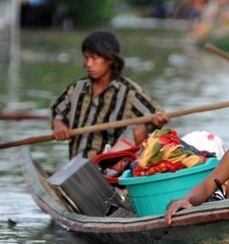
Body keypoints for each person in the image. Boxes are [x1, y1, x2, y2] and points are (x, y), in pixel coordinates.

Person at [50, 31, 168, 159]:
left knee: (140, 127)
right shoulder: (77, 89)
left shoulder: (129, 92)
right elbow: (56, 112)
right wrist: (58, 125)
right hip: (75, 167)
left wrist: (158, 120)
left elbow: (154, 115)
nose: (88, 64)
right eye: (86, 58)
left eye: (94, 58)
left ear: (110, 59)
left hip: (108, 168)